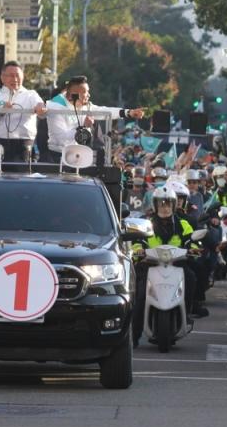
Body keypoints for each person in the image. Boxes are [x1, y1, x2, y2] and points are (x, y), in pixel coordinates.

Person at [131, 187, 204, 347]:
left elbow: (192, 240)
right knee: (140, 295)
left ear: (173, 205)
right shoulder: (146, 223)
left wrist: (194, 248)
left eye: (168, 204)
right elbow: (136, 242)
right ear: (155, 205)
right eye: (161, 204)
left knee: (191, 278)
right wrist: (138, 251)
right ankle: (134, 336)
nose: (164, 207)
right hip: (149, 265)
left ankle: (188, 311)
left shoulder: (183, 223)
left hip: (177, 264)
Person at [46, 75, 144, 162]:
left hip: (75, 153)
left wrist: (128, 113)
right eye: (85, 92)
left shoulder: (83, 104)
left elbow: (103, 111)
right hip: (56, 156)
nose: (89, 95)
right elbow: (60, 139)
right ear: (74, 95)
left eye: (88, 91)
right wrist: (83, 126)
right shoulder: (56, 107)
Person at [0, 61, 47, 162]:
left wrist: (41, 108)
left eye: (18, 76)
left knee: (23, 177)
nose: (15, 79)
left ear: (23, 77)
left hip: (23, 145)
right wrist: (0, 112)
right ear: (2, 77)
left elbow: (42, 111)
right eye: (11, 76)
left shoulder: (31, 95)